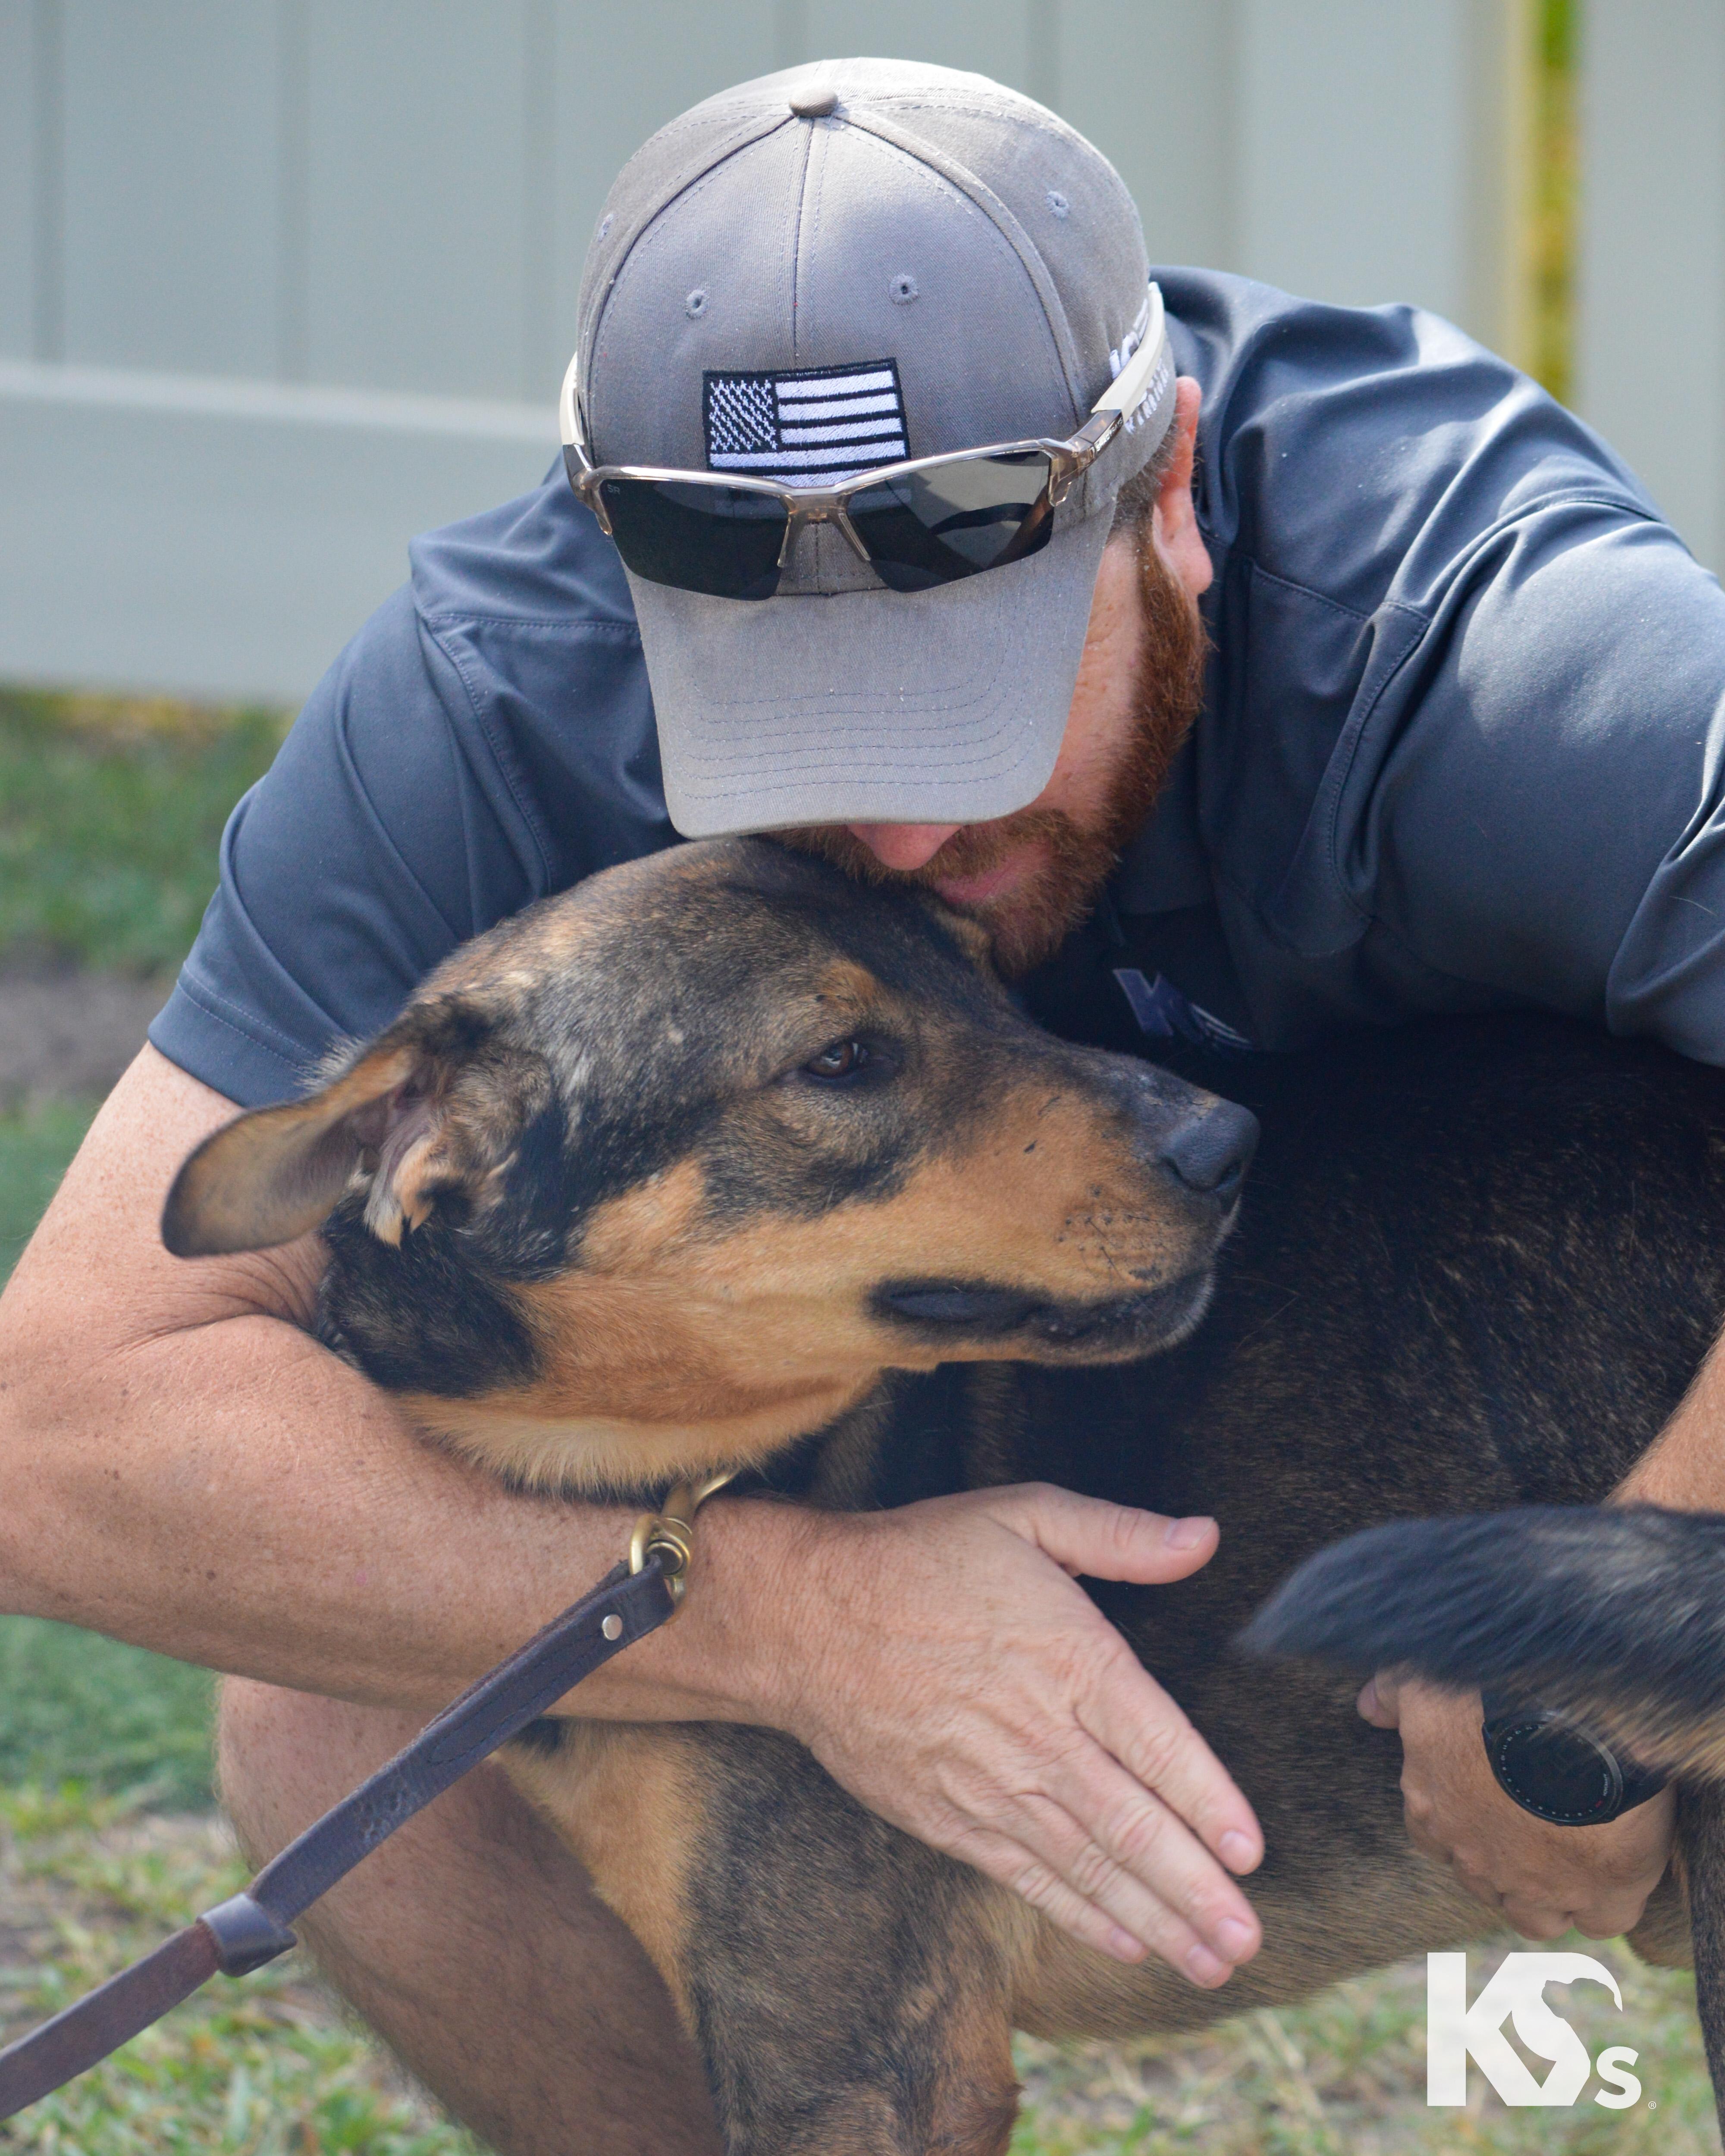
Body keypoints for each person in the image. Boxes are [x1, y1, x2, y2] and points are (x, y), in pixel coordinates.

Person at [2, 53, 1720, 2154]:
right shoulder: (507, 684)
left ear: (1163, 492)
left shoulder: (1509, 648)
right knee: (349, 1682)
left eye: (977, 699)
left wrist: (1591, 1633)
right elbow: (59, 1426)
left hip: (1607, 1369)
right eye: (797, 737)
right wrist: (805, 1620)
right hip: (1100, 1423)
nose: (902, 833)